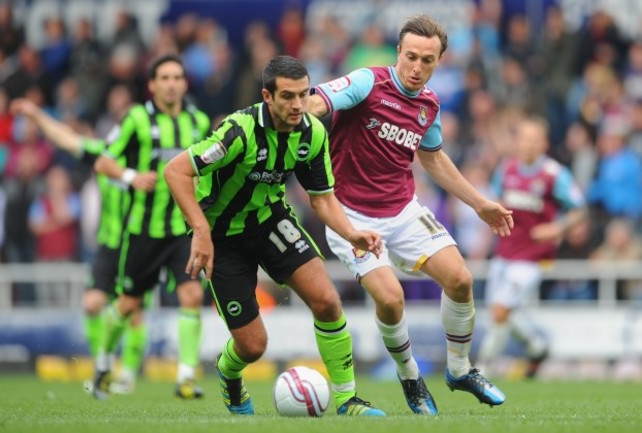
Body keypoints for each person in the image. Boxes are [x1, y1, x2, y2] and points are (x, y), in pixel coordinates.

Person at [307, 14, 512, 414]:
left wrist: (480, 203)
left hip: (403, 209)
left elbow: (433, 160)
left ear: (439, 61)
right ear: (398, 52)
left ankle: (459, 369)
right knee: (391, 299)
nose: (418, 68)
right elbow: (319, 101)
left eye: (428, 61)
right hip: (350, 216)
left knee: (460, 279)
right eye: (412, 57)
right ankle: (410, 376)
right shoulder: (368, 81)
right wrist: (294, 115)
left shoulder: (429, 105)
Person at [164, 55, 386, 417]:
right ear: (267, 96)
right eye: (287, 96)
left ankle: (348, 401)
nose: (297, 104)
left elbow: (322, 198)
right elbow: (176, 171)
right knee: (253, 347)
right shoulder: (239, 131)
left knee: (327, 301)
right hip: (222, 235)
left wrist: (352, 232)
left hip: (271, 222)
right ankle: (227, 372)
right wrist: (201, 231)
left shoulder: (312, 133)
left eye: (303, 94)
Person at [92, 54, 211, 400]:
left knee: (190, 295)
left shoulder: (199, 121)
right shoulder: (135, 119)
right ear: (153, 85)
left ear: (185, 83)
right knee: (128, 303)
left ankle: (186, 376)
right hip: (143, 231)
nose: (172, 83)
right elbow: (103, 161)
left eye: (177, 77)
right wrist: (130, 176)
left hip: (182, 230)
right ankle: (102, 362)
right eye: (165, 78)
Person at [10, 98, 147, 393]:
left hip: (138, 244)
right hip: (108, 245)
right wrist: (36, 115)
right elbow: (67, 139)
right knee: (92, 304)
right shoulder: (105, 154)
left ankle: (129, 375)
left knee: (132, 309)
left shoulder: (150, 164)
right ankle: (103, 366)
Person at [476, 115, 587, 378]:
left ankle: (481, 368)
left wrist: (558, 228)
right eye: (524, 138)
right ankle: (536, 347)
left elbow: (580, 209)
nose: (528, 144)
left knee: (501, 309)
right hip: (504, 251)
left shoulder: (553, 174)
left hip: (534, 256)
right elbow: (494, 201)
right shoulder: (506, 169)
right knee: (499, 312)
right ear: (517, 142)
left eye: (534, 139)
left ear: (544, 144)